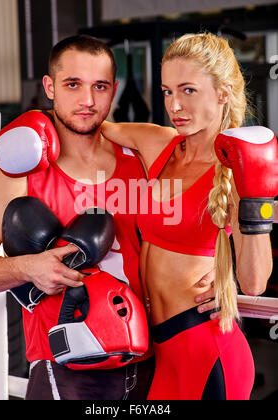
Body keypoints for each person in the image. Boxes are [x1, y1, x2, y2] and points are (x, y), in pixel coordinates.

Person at [0, 34, 215, 400]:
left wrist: (221, 270)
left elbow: (212, 185)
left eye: (99, 86)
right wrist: (28, 269)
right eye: (73, 84)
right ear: (50, 86)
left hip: (149, 360)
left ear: (114, 90)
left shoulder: (141, 158)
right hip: (65, 368)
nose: (87, 101)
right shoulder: (17, 174)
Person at [100, 32, 275, 400]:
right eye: (167, 92)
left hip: (205, 348)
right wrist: (37, 123)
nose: (174, 105)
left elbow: (255, 282)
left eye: (188, 90)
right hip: (156, 348)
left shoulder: (233, 171)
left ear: (223, 92)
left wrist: (256, 197)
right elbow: (88, 123)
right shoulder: (159, 143)